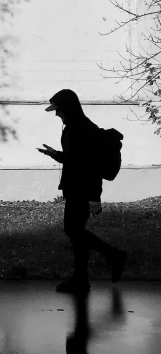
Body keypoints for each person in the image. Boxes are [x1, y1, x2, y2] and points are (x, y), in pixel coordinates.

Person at [38, 89, 128, 294]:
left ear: (67, 108)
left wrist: (94, 198)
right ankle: (81, 279)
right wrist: (55, 154)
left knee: (73, 230)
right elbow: (75, 160)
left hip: (83, 190)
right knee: (76, 235)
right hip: (74, 188)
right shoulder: (72, 128)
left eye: (58, 110)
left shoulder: (83, 129)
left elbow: (92, 166)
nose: (56, 114)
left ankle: (114, 255)